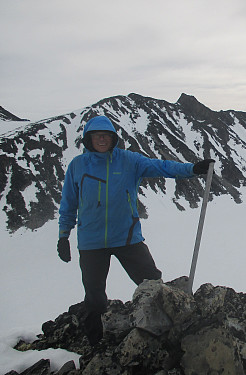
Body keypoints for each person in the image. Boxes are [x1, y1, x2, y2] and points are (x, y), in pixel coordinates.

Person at [57, 115, 214, 345]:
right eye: (96, 135)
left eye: (106, 135)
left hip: (127, 237)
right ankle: (94, 343)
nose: (102, 139)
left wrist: (192, 169)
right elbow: (68, 204)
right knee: (95, 299)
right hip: (91, 242)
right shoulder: (77, 166)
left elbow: (160, 166)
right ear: (88, 139)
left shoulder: (128, 160)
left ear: (113, 138)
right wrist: (63, 236)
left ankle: (165, 332)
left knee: (152, 282)